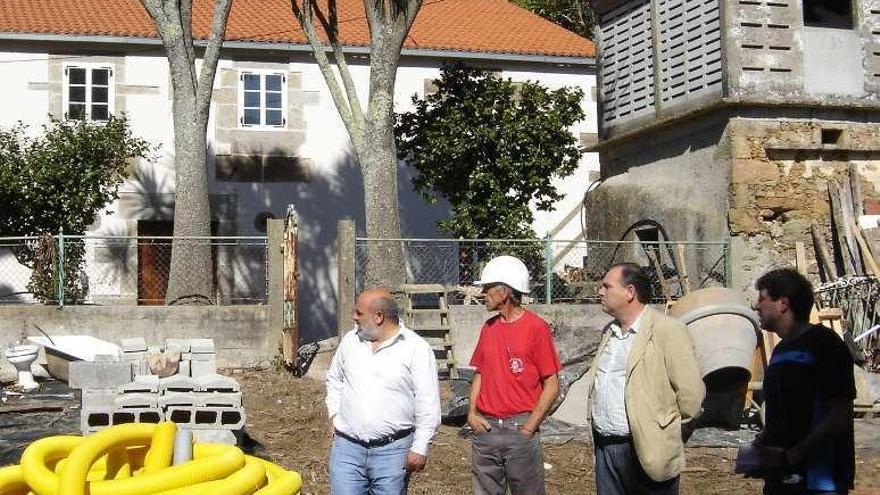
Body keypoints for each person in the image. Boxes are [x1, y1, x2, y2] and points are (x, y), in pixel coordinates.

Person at [584, 262, 705, 495]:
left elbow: (692, 396)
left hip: (647, 450)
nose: (600, 291)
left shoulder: (667, 331)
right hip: (605, 448)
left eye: (606, 286)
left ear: (630, 292)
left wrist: (665, 435)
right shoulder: (610, 332)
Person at [744, 267, 855, 494]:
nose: (756, 305)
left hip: (818, 481)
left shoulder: (825, 345)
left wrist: (793, 455)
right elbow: (784, 412)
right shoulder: (780, 350)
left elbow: (839, 416)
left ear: (783, 303)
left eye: (762, 299)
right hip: (782, 478)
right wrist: (761, 446)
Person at [325, 288, 441, 495]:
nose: (354, 317)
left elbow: (428, 403)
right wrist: (335, 414)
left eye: (359, 313)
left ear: (379, 317)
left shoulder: (416, 349)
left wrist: (420, 447)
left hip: (393, 452)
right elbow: (334, 378)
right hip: (347, 450)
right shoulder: (351, 341)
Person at [467, 255, 562, 495]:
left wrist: (529, 428)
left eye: (487, 288)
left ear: (504, 293)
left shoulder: (536, 328)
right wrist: (471, 414)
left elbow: (551, 384)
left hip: (519, 428)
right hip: (485, 431)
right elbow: (480, 373)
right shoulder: (488, 329)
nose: (482, 293)